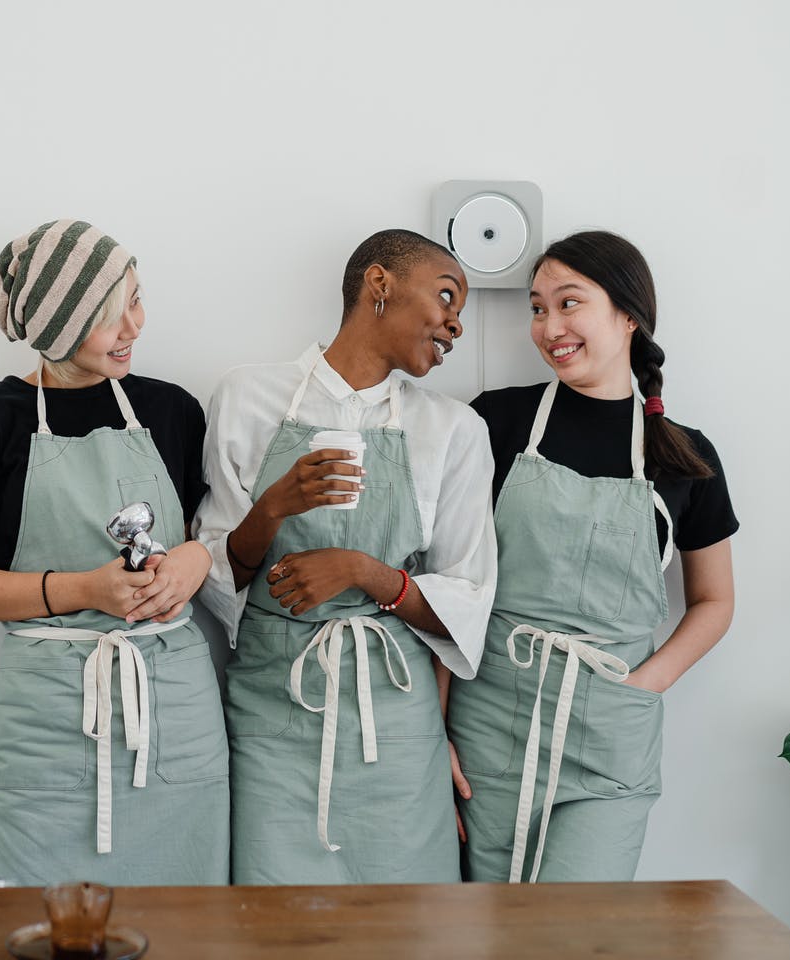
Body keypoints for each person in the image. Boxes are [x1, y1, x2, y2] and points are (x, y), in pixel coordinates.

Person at [193, 228, 496, 884]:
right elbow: (216, 577)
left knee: (409, 933)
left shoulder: (455, 431)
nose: (455, 325)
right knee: (270, 932)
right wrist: (271, 508)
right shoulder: (249, 397)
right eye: (447, 296)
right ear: (379, 285)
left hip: (397, 730)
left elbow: (468, 599)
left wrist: (367, 572)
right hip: (272, 722)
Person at [0, 220, 228, 886]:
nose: (137, 323)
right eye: (111, 313)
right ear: (60, 325)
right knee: (19, 918)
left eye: (137, 298)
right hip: (47, 719)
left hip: (173, 712)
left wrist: (195, 561)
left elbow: (219, 534)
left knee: (182, 918)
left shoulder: (173, 410)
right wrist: (86, 590)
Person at [447, 230, 738, 883]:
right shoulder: (494, 423)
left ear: (628, 315)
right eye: (537, 308)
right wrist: (435, 733)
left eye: (568, 303)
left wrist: (642, 688)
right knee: (474, 930)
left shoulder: (686, 458)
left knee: (581, 936)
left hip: (608, 734)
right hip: (488, 722)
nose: (549, 326)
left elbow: (715, 602)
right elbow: (447, 579)